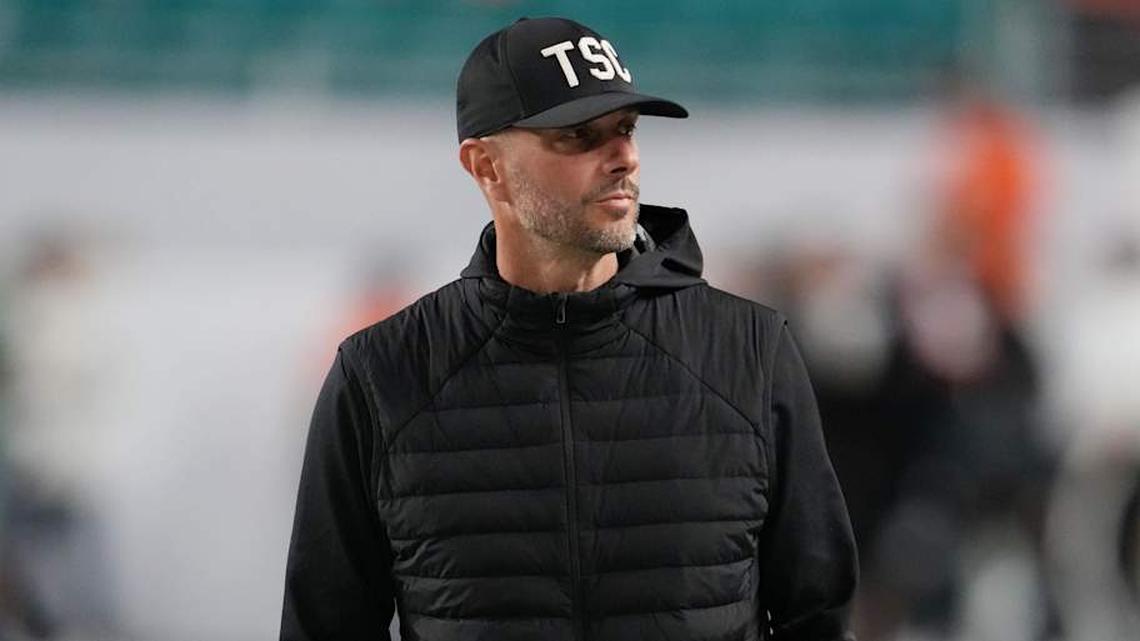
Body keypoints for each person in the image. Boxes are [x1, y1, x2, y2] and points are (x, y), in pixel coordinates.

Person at [281, 16, 857, 641]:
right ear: (486, 166)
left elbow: (818, 617)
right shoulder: (380, 376)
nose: (624, 157)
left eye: (627, 130)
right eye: (580, 136)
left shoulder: (749, 352)